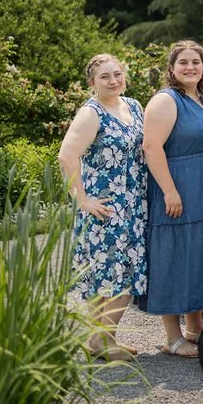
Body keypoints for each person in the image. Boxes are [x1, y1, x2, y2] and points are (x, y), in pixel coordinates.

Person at [138, 40, 203, 358]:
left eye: (196, 62)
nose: (190, 67)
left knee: (201, 252)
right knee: (175, 253)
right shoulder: (166, 100)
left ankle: (195, 327)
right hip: (178, 184)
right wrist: (169, 190)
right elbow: (152, 147)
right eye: (183, 62)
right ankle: (172, 338)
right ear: (172, 68)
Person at [58, 54, 147, 361]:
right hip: (105, 208)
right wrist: (81, 199)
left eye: (117, 74)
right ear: (92, 83)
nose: (113, 80)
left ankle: (100, 339)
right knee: (109, 276)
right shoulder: (91, 112)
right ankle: (104, 341)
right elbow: (66, 156)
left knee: (121, 272)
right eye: (105, 76)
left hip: (133, 207)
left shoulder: (133, 106)